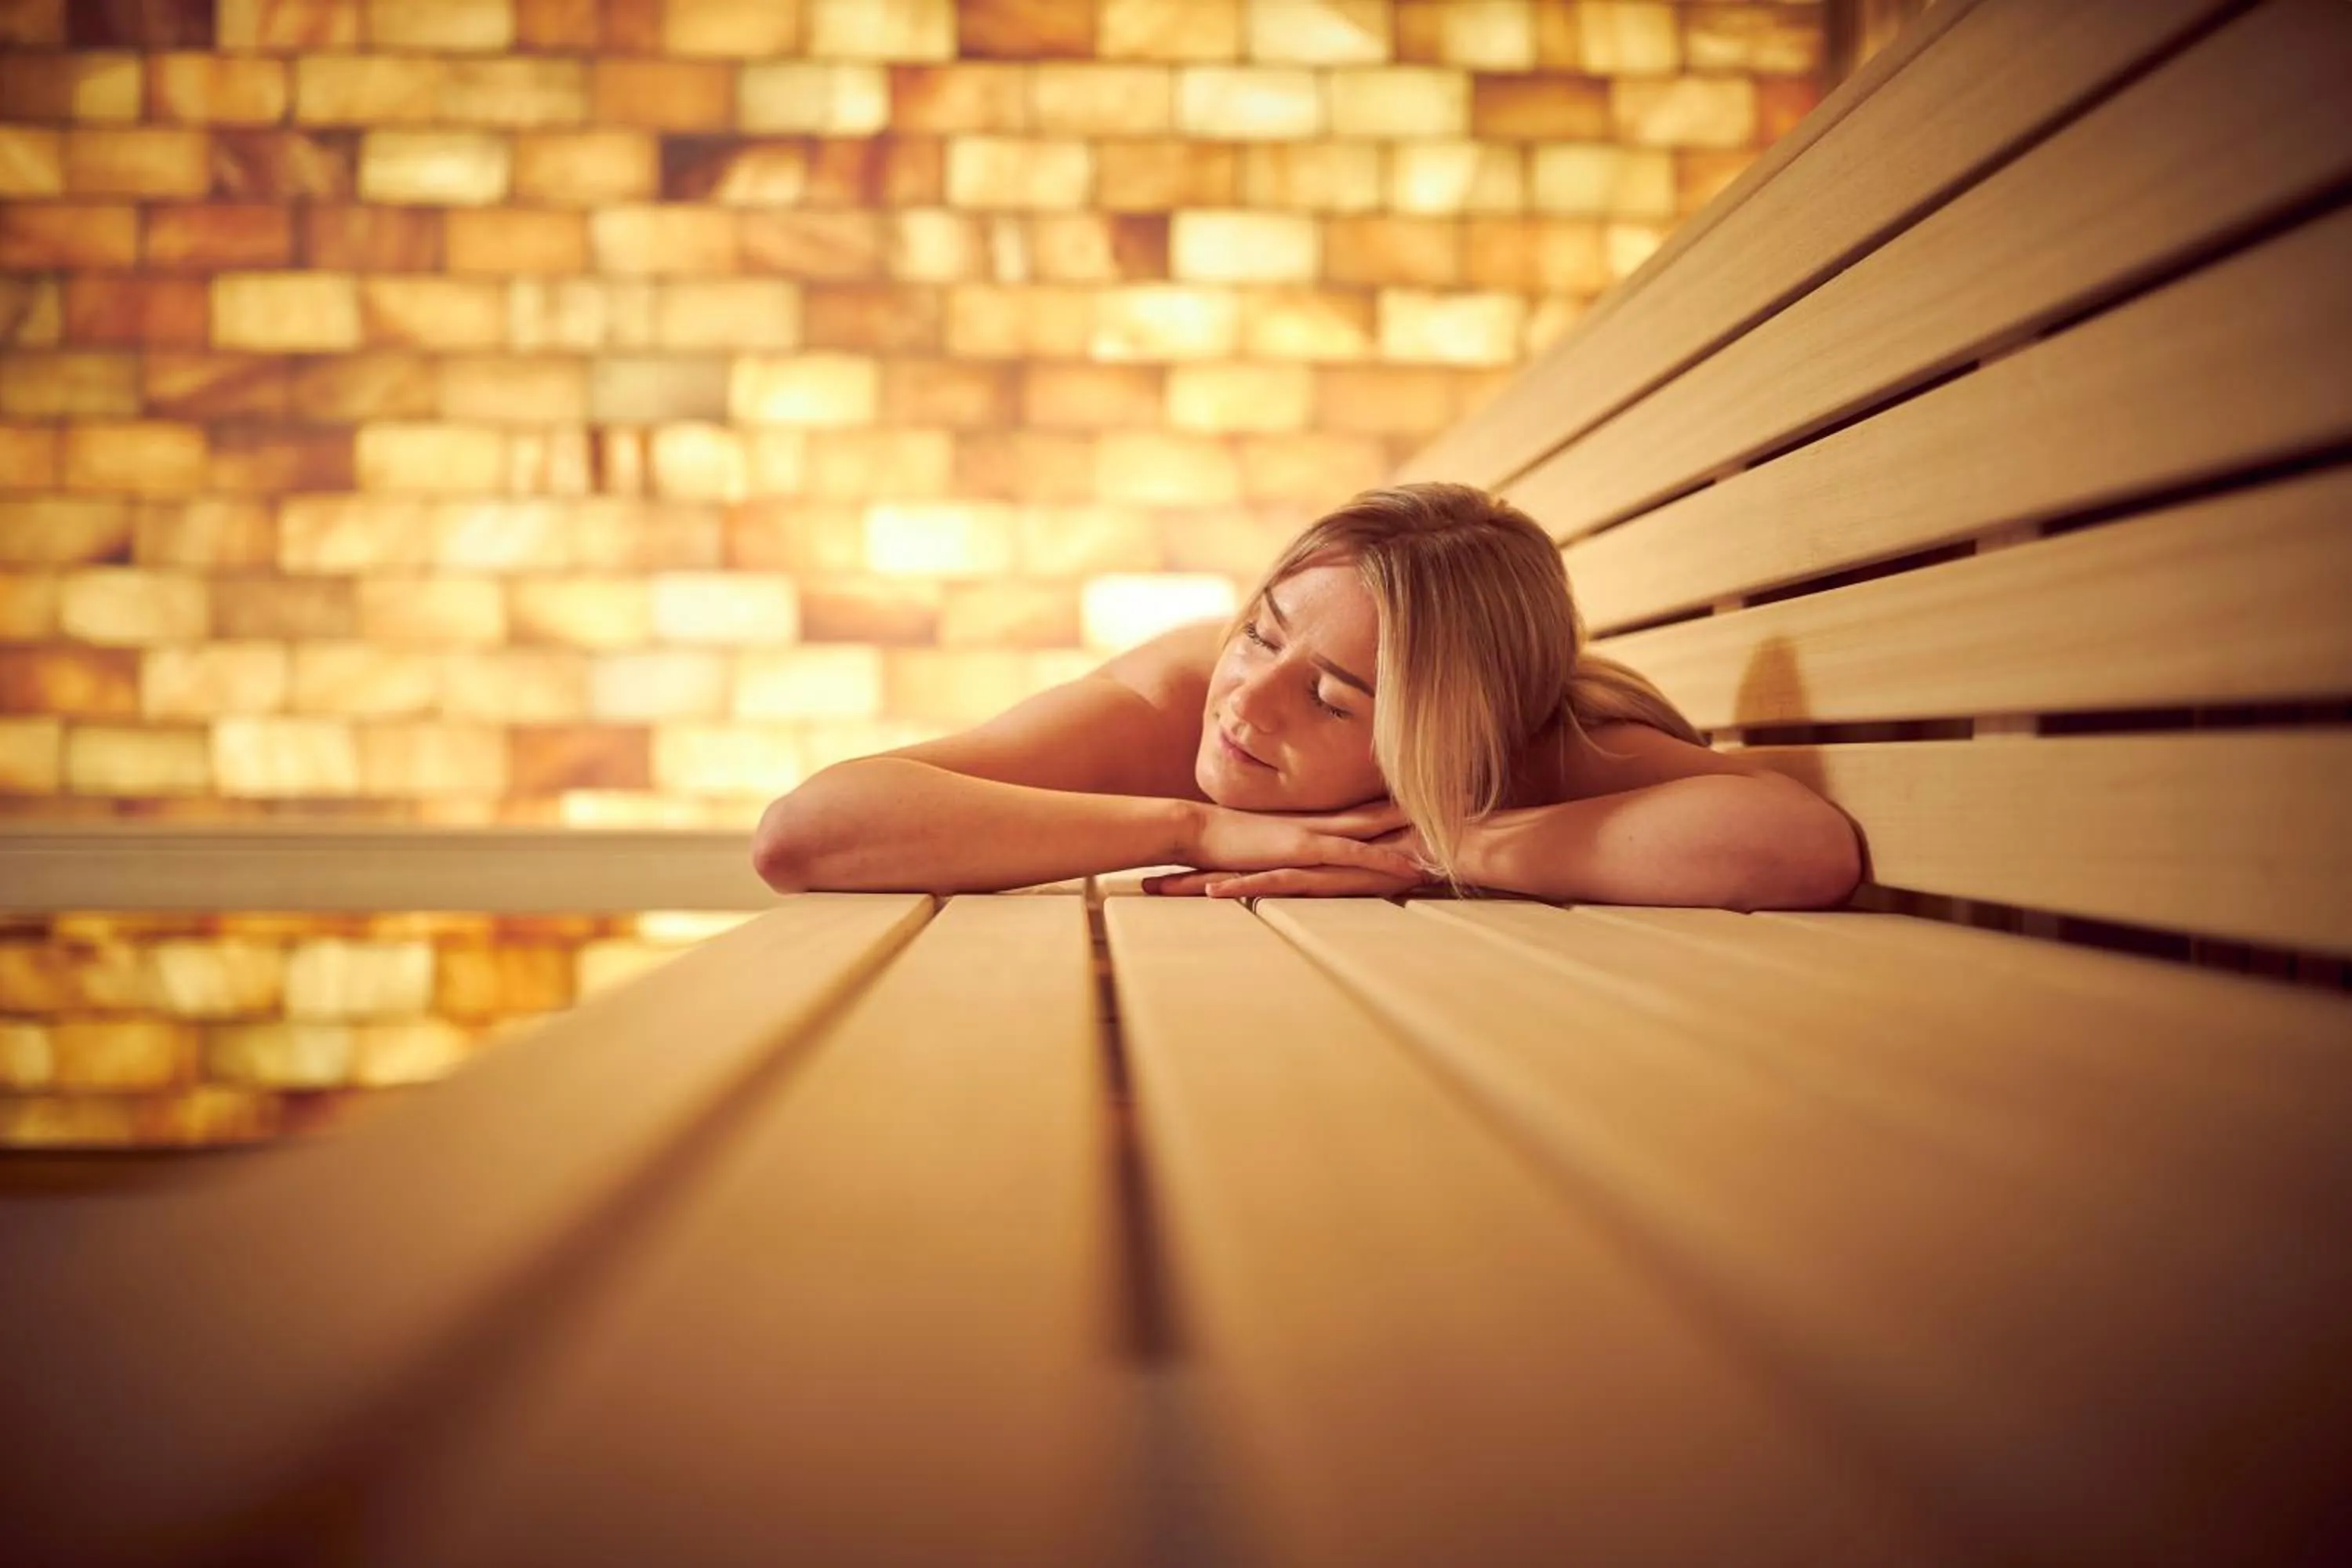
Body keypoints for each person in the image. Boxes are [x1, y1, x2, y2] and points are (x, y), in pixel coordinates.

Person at [751, 482, 1863, 908]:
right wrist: (1195, 828)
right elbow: (807, 832)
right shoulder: (1180, 692)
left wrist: (1434, 849)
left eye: (1333, 699)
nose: (1247, 702)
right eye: (1262, 633)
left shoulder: (1521, 743)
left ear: (1443, 741)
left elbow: (1798, 847)